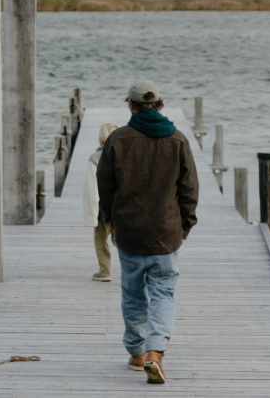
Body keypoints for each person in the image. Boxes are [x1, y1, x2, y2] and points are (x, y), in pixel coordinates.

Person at [97, 80, 199, 384]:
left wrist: (111, 222)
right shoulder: (178, 139)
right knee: (163, 292)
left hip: (129, 231)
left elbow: (106, 187)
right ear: (161, 103)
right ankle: (157, 352)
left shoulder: (117, 139)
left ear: (130, 104)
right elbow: (189, 188)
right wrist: (186, 225)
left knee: (132, 293)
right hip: (167, 232)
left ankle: (137, 353)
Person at [83, 121, 120, 281]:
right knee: (123, 241)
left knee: (100, 240)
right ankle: (132, 271)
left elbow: (91, 189)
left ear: (100, 141)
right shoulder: (125, 156)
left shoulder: (95, 158)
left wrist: (90, 215)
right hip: (121, 207)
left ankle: (105, 272)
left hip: (102, 210)